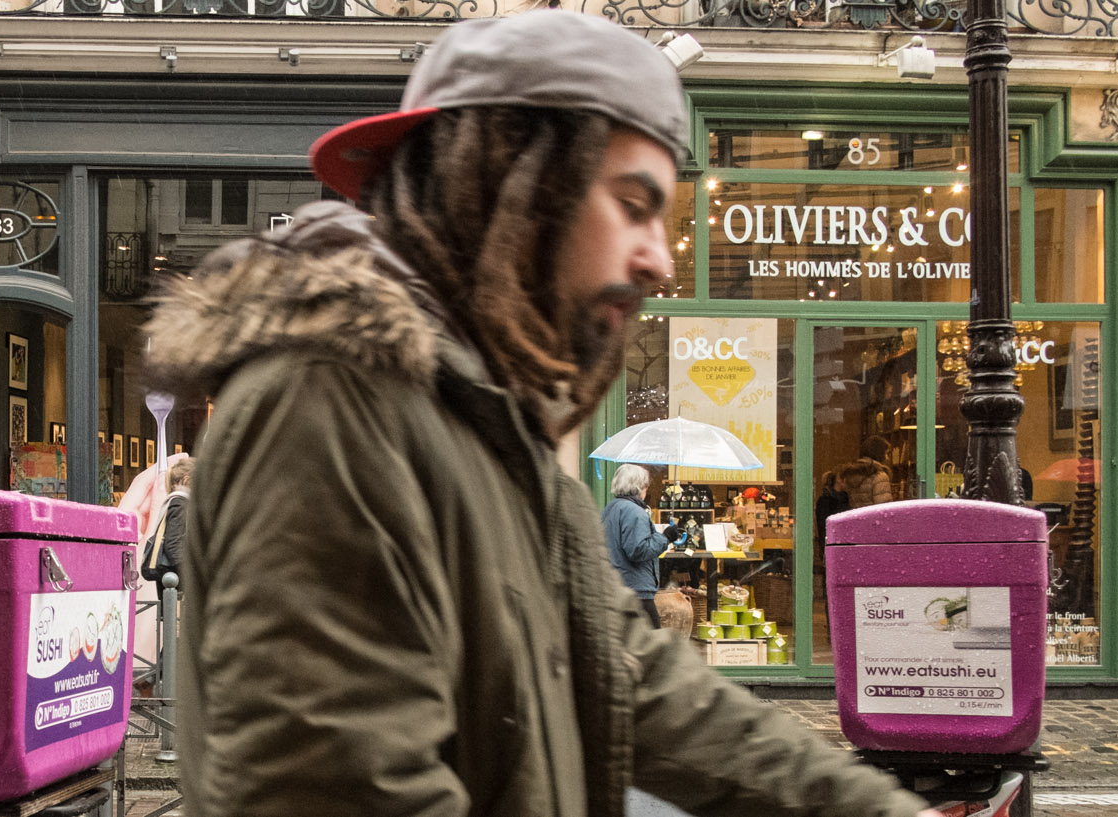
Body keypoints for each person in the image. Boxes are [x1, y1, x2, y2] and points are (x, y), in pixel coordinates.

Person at [143, 10, 936, 817]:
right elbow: (342, 787)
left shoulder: (489, 425)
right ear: (507, 185)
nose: (662, 256)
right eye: (633, 204)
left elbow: (632, 680)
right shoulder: (328, 399)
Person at [601, 463, 673, 628]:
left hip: (618, 586)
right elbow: (638, 550)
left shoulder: (611, 508)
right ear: (639, 487)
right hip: (637, 589)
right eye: (646, 485)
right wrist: (666, 538)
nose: (646, 489)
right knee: (653, 642)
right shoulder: (634, 512)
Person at [141, 456, 193, 593]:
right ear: (187, 480)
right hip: (174, 579)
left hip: (171, 577)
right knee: (171, 614)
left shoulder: (175, 501)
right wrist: (190, 573)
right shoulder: (180, 503)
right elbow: (173, 544)